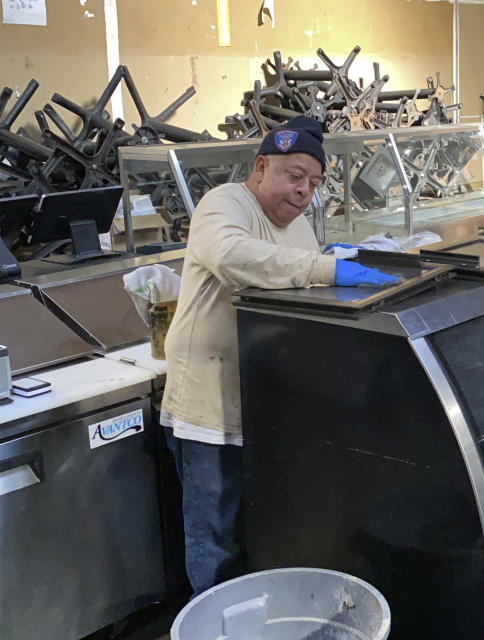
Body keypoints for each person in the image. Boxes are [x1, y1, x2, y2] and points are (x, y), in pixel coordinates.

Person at [159, 116, 399, 595]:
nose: (304, 192)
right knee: (215, 539)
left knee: (266, 529)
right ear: (261, 166)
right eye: (294, 176)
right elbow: (234, 257)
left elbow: (298, 291)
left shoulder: (299, 227)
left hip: (271, 405)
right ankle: (216, 623)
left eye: (313, 183)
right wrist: (324, 266)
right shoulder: (224, 205)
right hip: (210, 411)